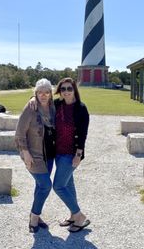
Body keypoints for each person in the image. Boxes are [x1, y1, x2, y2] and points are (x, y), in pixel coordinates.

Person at [15, 79, 56, 233]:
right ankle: (34, 217)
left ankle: (36, 216)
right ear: (36, 94)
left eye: (46, 92)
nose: (43, 95)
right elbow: (19, 133)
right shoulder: (31, 108)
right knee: (46, 185)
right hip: (34, 156)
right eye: (39, 92)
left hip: (49, 156)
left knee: (40, 186)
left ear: (51, 94)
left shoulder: (53, 107)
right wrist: (25, 152)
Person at [53, 77, 90, 232]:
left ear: (74, 89)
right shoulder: (56, 105)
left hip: (71, 153)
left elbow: (82, 134)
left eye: (69, 88)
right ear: (59, 91)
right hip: (57, 152)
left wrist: (78, 154)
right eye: (63, 89)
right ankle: (73, 216)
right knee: (68, 184)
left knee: (58, 186)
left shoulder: (81, 109)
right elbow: (40, 103)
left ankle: (79, 216)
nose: (66, 92)